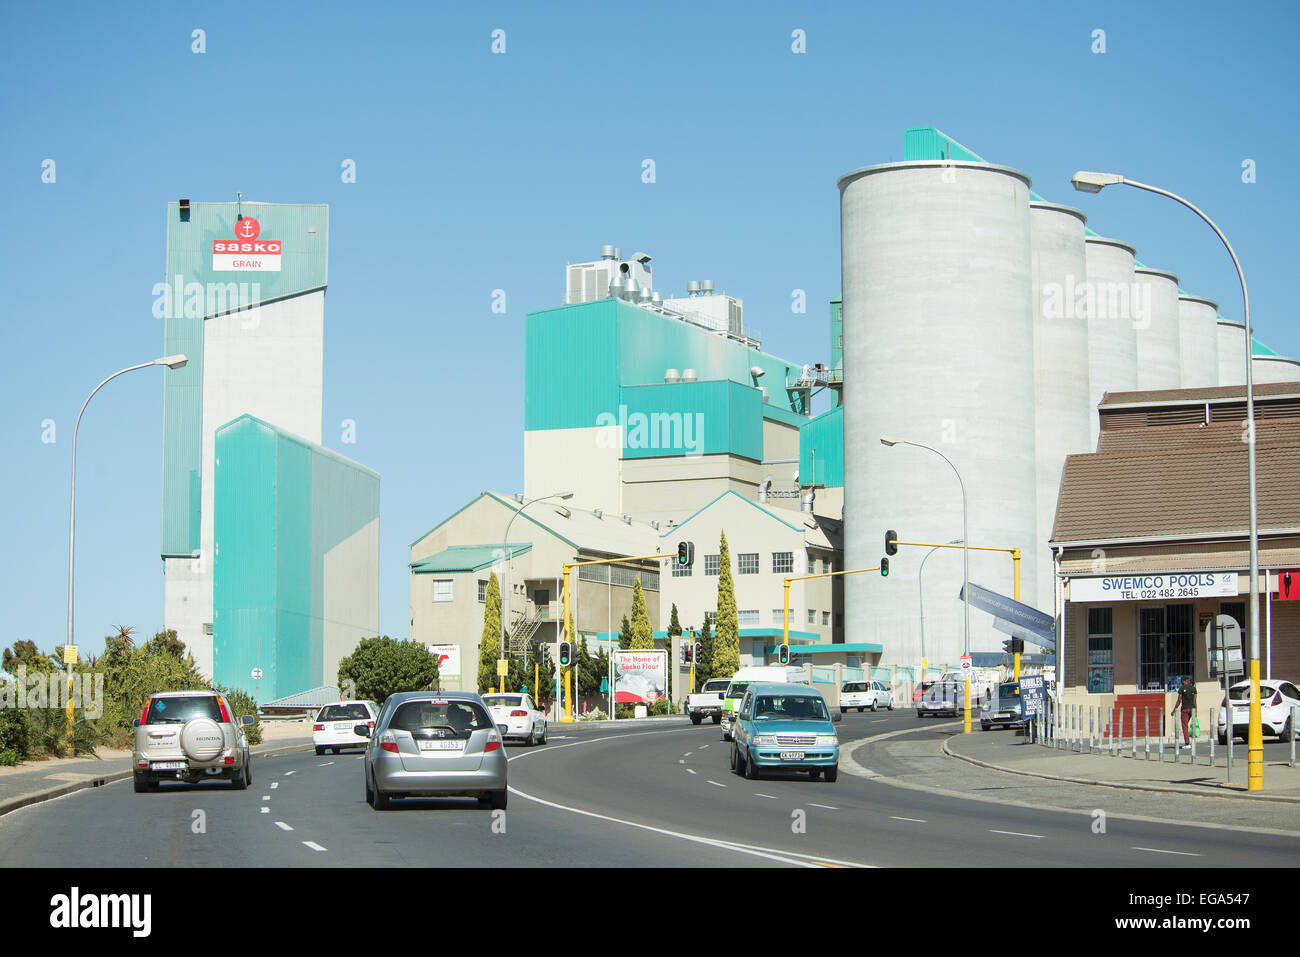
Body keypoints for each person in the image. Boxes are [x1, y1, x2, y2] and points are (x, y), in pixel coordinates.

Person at [1171, 676, 1196, 749]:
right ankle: (1193, 741)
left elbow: (1179, 700)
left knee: (1185, 726)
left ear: (1184, 681)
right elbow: (1195, 700)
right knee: (1191, 725)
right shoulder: (1193, 688)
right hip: (1192, 709)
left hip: (1185, 709)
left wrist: (1174, 710)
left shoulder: (1182, 688)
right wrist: (1195, 709)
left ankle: (1187, 743)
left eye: (1181, 681)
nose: (1181, 682)